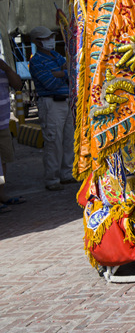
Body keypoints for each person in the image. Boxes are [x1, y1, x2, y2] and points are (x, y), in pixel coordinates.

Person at [27, 26, 74, 191]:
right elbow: (50, 83)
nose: (50, 40)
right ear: (38, 42)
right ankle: (52, 179)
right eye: (46, 38)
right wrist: (63, 73)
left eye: (50, 37)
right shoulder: (36, 61)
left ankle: (66, 174)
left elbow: (71, 73)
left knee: (69, 139)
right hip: (50, 103)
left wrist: (60, 73)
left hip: (65, 101)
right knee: (54, 142)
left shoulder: (57, 56)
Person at [0, 55, 23, 206]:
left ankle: (1, 194)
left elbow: (18, 85)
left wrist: (6, 68)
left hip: (3, 124)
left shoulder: (4, 70)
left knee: (3, 160)